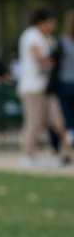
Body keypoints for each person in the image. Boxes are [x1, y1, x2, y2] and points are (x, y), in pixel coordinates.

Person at [17, 8, 69, 167]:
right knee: (34, 121)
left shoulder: (49, 38)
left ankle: (66, 152)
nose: (53, 26)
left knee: (57, 120)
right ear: (42, 22)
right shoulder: (31, 35)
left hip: (47, 86)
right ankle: (27, 154)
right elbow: (39, 57)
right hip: (32, 87)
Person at [54, 12, 74, 143]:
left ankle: (67, 143)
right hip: (66, 83)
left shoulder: (62, 42)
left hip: (65, 83)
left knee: (66, 117)